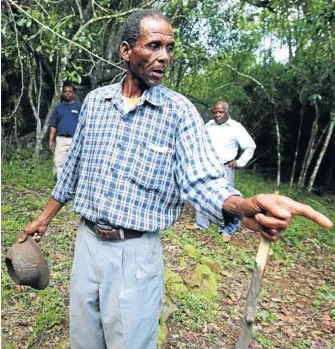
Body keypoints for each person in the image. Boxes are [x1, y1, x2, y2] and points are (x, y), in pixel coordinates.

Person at [19, 10, 332, 349]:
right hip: (87, 242)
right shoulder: (95, 103)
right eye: (153, 46)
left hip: (135, 252)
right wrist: (44, 218)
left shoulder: (178, 113)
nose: (164, 57)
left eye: (169, 48)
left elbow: (201, 180)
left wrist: (240, 207)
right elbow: (73, 171)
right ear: (126, 51)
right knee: (84, 339)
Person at [188, 101, 256, 241]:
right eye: (215, 112)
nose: (217, 115)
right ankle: (201, 223)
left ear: (227, 112)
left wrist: (239, 162)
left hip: (225, 166)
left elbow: (250, 146)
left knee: (226, 198)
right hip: (207, 165)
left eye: (221, 112)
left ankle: (226, 229)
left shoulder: (235, 127)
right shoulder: (209, 125)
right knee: (204, 193)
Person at [49, 85, 81, 181]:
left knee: (75, 163)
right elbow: (53, 125)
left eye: (69, 91)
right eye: (65, 91)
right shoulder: (59, 107)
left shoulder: (79, 106)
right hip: (61, 139)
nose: (67, 93)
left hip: (74, 139)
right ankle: (60, 185)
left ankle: (72, 186)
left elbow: (84, 123)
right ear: (63, 93)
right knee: (59, 163)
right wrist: (51, 140)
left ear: (73, 93)